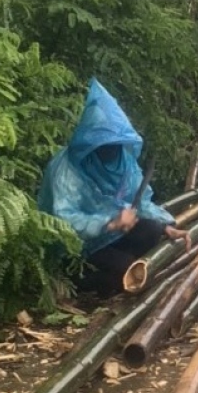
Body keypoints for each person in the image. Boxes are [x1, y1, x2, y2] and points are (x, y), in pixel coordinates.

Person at [39, 79, 188, 298]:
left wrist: (167, 226)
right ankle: (74, 283)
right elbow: (64, 221)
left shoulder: (124, 161)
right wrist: (109, 223)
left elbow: (141, 202)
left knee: (152, 230)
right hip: (79, 247)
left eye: (114, 144)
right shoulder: (66, 169)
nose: (110, 151)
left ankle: (118, 268)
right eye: (103, 146)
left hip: (114, 236)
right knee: (128, 270)